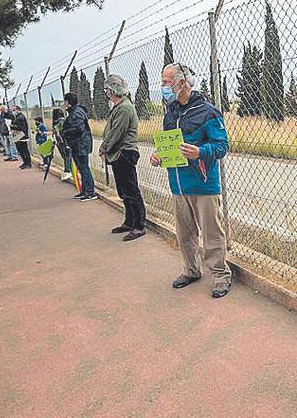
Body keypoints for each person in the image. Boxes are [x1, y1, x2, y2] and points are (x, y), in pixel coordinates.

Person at [149, 63, 231, 298]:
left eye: (166, 82)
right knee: (184, 233)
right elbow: (167, 145)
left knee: (212, 232)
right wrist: (158, 156)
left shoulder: (208, 112)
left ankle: (221, 275)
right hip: (178, 184)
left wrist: (199, 152)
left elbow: (221, 146)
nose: (163, 87)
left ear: (181, 83)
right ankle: (191, 270)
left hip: (204, 184)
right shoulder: (170, 114)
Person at [99, 74, 146, 242]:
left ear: (112, 90)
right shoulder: (119, 107)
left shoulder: (125, 108)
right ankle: (129, 221)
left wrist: (104, 148)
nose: (106, 93)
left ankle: (139, 225)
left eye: (107, 90)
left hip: (125, 152)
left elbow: (116, 132)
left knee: (131, 189)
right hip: (119, 153)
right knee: (123, 190)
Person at [61, 92, 96, 201]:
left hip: (80, 144)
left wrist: (65, 132)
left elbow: (78, 129)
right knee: (82, 168)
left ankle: (90, 192)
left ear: (68, 102)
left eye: (65, 101)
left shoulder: (76, 113)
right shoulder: (75, 112)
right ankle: (84, 191)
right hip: (78, 144)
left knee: (84, 168)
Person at [52, 108, 73, 181]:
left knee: (67, 157)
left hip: (64, 142)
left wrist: (66, 143)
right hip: (61, 142)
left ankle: (68, 171)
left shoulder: (61, 122)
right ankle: (68, 170)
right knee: (66, 157)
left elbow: (64, 133)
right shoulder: (57, 122)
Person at [10, 105, 31, 169]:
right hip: (20, 136)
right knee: (21, 150)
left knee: (24, 150)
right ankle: (25, 162)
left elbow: (20, 127)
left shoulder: (20, 117)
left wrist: (12, 126)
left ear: (18, 110)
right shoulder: (18, 117)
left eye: (14, 110)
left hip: (22, 136)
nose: (13, 112)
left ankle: (27, 163)